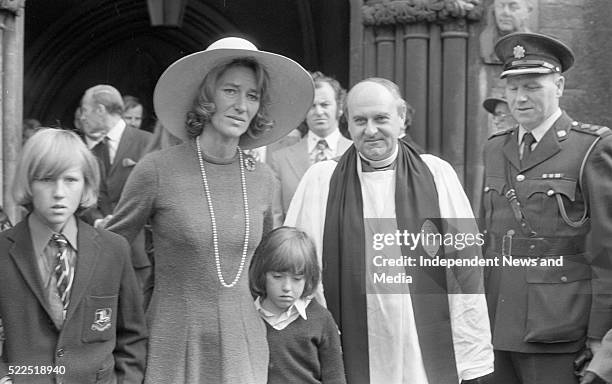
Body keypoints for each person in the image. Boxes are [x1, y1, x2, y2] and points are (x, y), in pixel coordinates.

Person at [105, 36, 314, 383]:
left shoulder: (263, 178)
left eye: (252, 95)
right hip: (173, 340)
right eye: (230, 90)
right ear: (206, 97)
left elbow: (265, 265)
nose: (241, 105)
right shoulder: (157, 169)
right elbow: (109, 249)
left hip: (242, 344)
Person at [285, 77, 493, 384]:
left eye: (380, 118)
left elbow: (465, 269)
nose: (370, 130)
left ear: (401, 120)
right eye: (359, 120)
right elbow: (298, 266)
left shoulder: (436, 175)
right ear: (348, 124)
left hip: (421, 346)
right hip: (351, 338)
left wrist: (471, 353)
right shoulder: (321, 180)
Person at [481, 32, 612, 384]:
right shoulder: (495, 149)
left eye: (533, 86)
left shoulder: (592, 148)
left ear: (559, 85)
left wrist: (601, 335)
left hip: (559, 326)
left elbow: (606, 251)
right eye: (512, 88)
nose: (520, 98)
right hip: (496, 322)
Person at [0, 128, 147, 384]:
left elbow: (131, 336)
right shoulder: (3, 251)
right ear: (28, 184)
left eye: (70, 180)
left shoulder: (114, 250)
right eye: (46, 179)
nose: (59, 192)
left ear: (86, 185)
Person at [79, 84, 152, 292]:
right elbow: (87, 195)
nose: (82, 117)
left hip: (140, 256)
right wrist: (98, 220)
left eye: (85, 110)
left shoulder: (147, 142)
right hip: (101, 253)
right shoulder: (91, 150)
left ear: (100, 109)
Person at [249, 226, 346, 384]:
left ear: (309, 278)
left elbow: (335, 377)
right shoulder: (249, 316)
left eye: (297, 278)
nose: (287, 287)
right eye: (277, 276)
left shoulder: (321, 319)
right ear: (262, 274)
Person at [270, 71, 352, 223]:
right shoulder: (280, 159)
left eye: (325, 104)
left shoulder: (357, 153)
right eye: (312, 106)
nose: (319, 112)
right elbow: (276, 218)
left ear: (339, 108)